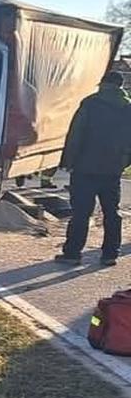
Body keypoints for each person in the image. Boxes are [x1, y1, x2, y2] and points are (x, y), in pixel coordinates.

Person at [55, 71, 131, 267]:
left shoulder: (90, 103)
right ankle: (110, 254)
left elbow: (76, 134)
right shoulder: (127, 108)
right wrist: (123, 162)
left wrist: (67, 162)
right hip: (112, 170)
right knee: (112, 212)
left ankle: (72, 253)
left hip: (85, 167)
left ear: (102, 84)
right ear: (120, 86)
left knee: (81, 212)